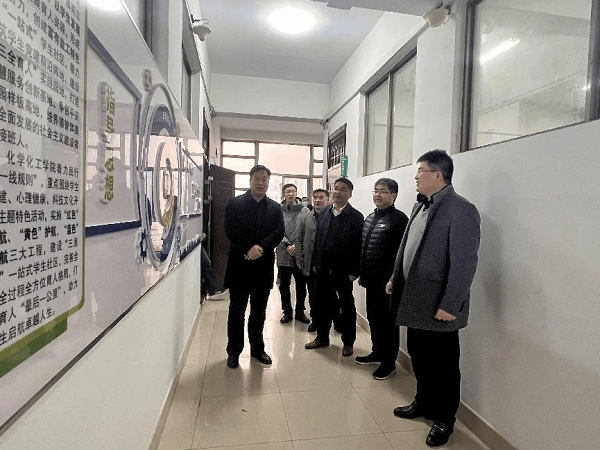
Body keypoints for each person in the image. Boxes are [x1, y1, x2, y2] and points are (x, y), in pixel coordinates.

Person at [386, 150, 481, 447]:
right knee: (419, 355)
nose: (415, 177)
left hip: (439, 305)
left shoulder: (461, 210)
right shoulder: (421, 205)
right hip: (415, 300)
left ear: (437, 175)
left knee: (444, 366)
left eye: (420, 172)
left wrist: (450, 305)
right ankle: (423, 402)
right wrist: (395, 278)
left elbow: (464, 264)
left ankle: (444, 419)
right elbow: (407, 247)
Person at [224, 165, 285, 369]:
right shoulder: (235, 204)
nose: (261, 183)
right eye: (257, 179)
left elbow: (278, 232)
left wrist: (260, 247)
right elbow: (230, 230)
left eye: (264, 179)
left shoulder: (275, 208)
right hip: (239, 266)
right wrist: (248, 248)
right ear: (250, 180)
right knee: (236, 312)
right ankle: (233, 352)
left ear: (268, 182)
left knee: (259, 313)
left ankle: (258, 350)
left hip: (262, 268)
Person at [356, 178, 408, 380]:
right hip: (371, 281)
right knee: (374, 318)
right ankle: (377, 352)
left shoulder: (399, 220)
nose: (378, 195)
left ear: (394, 195)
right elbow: (365, 248)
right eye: (375, 191)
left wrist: (394, 280)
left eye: (383, 191)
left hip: (387, 284)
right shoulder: (370, 218)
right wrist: (362, 274)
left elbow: (401, 255)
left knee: (388, 324)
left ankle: (389, 363)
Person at [305, 178, 363, 357]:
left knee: (346, 306)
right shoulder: (324, 212)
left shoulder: (356, 217)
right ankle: (322, 338)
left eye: (343, 189)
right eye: (335, 188)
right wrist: (316, 263)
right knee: (321, 304)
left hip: (343, 271)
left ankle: (348, 342)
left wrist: (355, 271)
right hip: (323, 268)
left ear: (350, 194)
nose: (338, 192)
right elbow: (318, 239)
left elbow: (359, 246)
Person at [292, 188, 330, 332]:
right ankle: (315, 320)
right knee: (313, 294)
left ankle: (328, 321)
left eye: (321, 197)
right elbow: (298, 238)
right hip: (310, 263)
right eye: (315, 197)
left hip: (326, 265)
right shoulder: (305, 217)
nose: (317, 200)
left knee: (326, 296)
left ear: (328, 200)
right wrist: (300, 259)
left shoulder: (332, 217)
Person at [276, 183, 311, 324]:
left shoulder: (305, 210)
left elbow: (307, 230)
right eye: (288, 191)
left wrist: (297, 245)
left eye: (293, 191)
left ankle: (300, 311)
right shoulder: (277, 210)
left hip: (299, 253)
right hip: (283, 252)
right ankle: (287, 311)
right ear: (283, 194)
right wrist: (287, 244)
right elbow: (275, 229)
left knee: (301, 285)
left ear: (296, 193)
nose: (291, 194)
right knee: (284, 285)